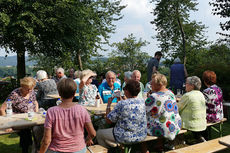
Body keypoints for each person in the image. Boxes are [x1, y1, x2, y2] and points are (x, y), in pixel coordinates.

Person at [39, 78, 96, 153]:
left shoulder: (51, 111)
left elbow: (47, 140)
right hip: (79, 150)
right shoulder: (82, 110)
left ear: (59, 93)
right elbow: (93, 133)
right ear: (75, 92)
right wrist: (88, 139)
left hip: (57, 150)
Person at [96, 79, 147, 148]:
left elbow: (108, 121)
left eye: (124, 88)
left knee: (99, 133)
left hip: (126, 137)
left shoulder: (122, 104)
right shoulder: (143, 101)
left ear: (127, 91)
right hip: (141, 134)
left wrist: (108, 105)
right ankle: (117, 147)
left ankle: (109, 150)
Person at [0, 77, 39, 153]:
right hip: (17, 120)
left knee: (41, 127)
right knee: (25, 130)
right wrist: (8, 125)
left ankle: (38, 147)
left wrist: (36, 113)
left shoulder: (32, 91)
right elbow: (2, 109)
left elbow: (35, 102)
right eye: (28, 89)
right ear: (22, 86)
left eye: (31, 88)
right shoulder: (14, 94)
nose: (30, 91)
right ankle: (26, 150)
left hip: (30, 117)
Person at [145, 73, 181, 141]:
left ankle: (144, 149)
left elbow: (144, 110)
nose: (150, 85)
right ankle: (160, 144)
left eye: (152, 83)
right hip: (175, 126)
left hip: (162, 129)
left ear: (159, 84)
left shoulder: (154, 96)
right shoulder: (171, 93)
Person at [178, 76, 206, 142]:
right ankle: (198, 137)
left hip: (190, 124)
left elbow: (177, 108)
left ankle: (174, 142)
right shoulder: (201, 94)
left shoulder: (188, 95)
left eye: (186, 83)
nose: (185, 85)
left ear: (192, 86)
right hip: (202, 123)